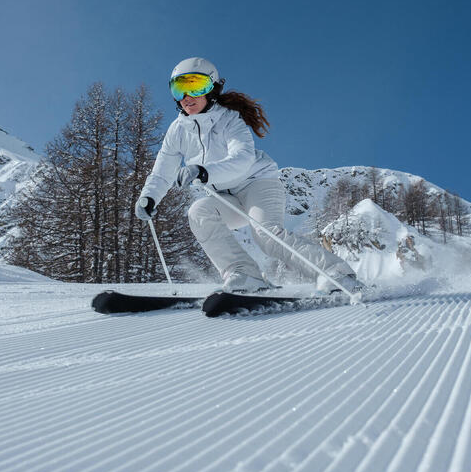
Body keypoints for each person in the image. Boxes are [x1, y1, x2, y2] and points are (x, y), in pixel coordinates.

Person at [134, 57, 361, 294]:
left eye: (196, 86)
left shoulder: (230, 118)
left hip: (257, 183)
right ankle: (245, 275)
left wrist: (204, 171)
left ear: (211, 89)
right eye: (179, 88)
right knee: (199, 212)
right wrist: (149, 197)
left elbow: (242, 159)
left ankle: (337, 274)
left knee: (266, 235)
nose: (187, 97)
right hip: (224, 196)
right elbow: (162, 171)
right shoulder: (177, 130)